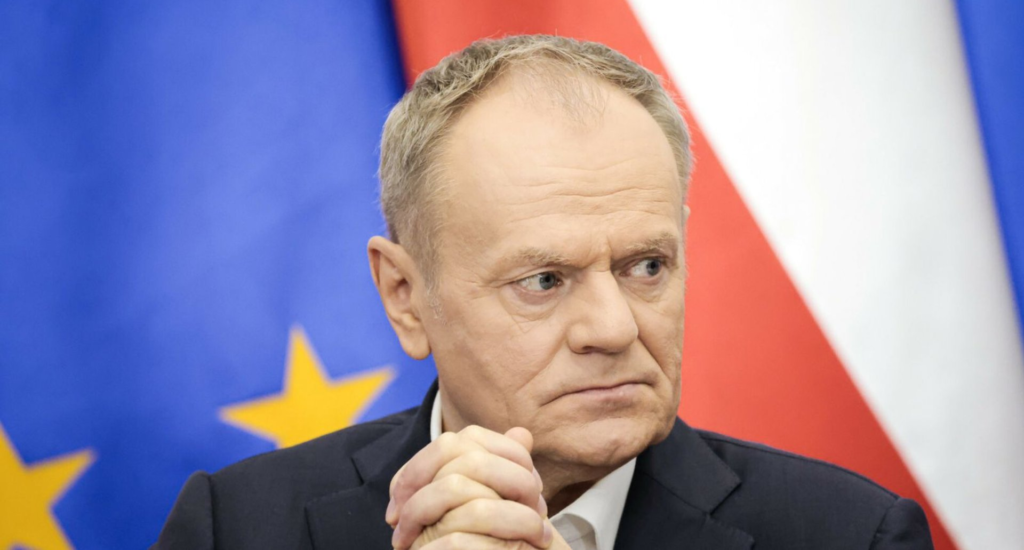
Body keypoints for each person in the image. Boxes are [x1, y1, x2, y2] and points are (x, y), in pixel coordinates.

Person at [154, 35, 933, 550]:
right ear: (404, 295)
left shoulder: (849, 534)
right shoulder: (240, 527)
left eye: (646, 267)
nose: (614, 328)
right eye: (545, 280)